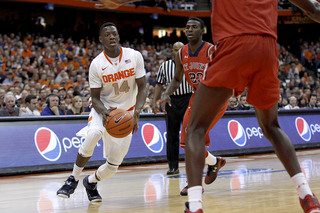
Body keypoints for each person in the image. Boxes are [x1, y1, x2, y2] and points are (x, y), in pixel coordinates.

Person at [56, 22, 146, 202]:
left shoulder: (134, 56)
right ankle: (72, 179)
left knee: (113, 166)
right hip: (102, 108)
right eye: (107, 34)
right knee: (95, 132)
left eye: (114, 33)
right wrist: (105, 113)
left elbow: (142, 87)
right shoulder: (97, 64)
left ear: (118, 36)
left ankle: (90, 182)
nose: (111, 36)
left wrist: (136, 112)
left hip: (126, 113)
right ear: (101, 39)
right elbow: (95, 98)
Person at [160, 18, 228, 196]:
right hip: (197, 97)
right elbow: (176, 79)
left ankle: (193, 183)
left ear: (202, 30)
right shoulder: (181, 53)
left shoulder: (212, 50)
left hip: (215, 98)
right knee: (185, 142)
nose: (190, 30)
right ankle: (215, 162)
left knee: (194, 138)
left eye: (194, 27)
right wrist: (166, 93)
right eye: (187, 27)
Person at [152, 41, 193, 176]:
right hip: (171, 101)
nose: (178, 52)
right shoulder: (165, 66)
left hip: (188, 99)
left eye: (181, 49)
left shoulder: (191, 64)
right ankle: (173, 166)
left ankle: (192, 165)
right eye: (176, 50)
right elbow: (159, 85)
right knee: (172, 135)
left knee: (190, 135)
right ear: (172, 52)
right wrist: (154, 101)